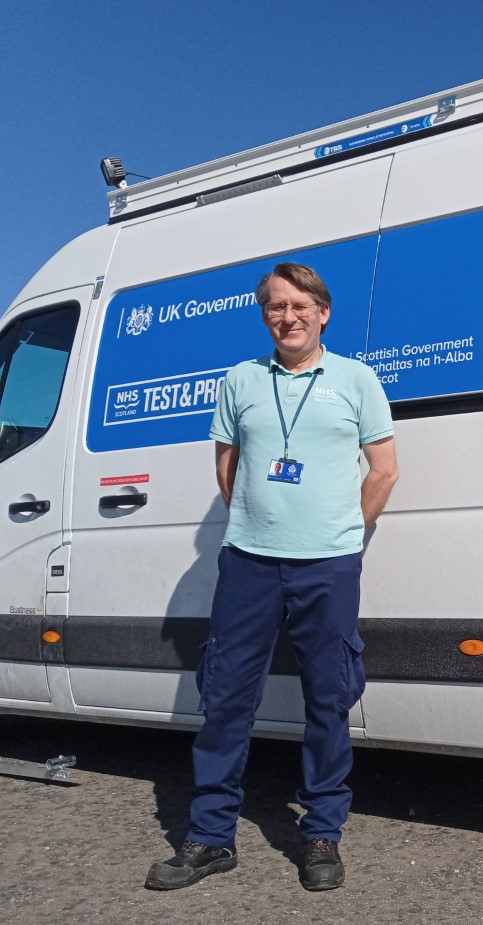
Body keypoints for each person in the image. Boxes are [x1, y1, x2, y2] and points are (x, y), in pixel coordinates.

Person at [146, 262, 398, 892]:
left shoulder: (357, 381)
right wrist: (259, 523)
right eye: (275, 307)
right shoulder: (240, 381)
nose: (287, 317)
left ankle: (320, 834)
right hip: (249, 563)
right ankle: (209, 838)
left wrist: (344, 537)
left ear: (323, 311)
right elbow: (227, 468)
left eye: (299, 305)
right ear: (265, 315)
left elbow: (384, 471)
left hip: (328, 566)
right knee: (226, 699)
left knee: (328, 699)